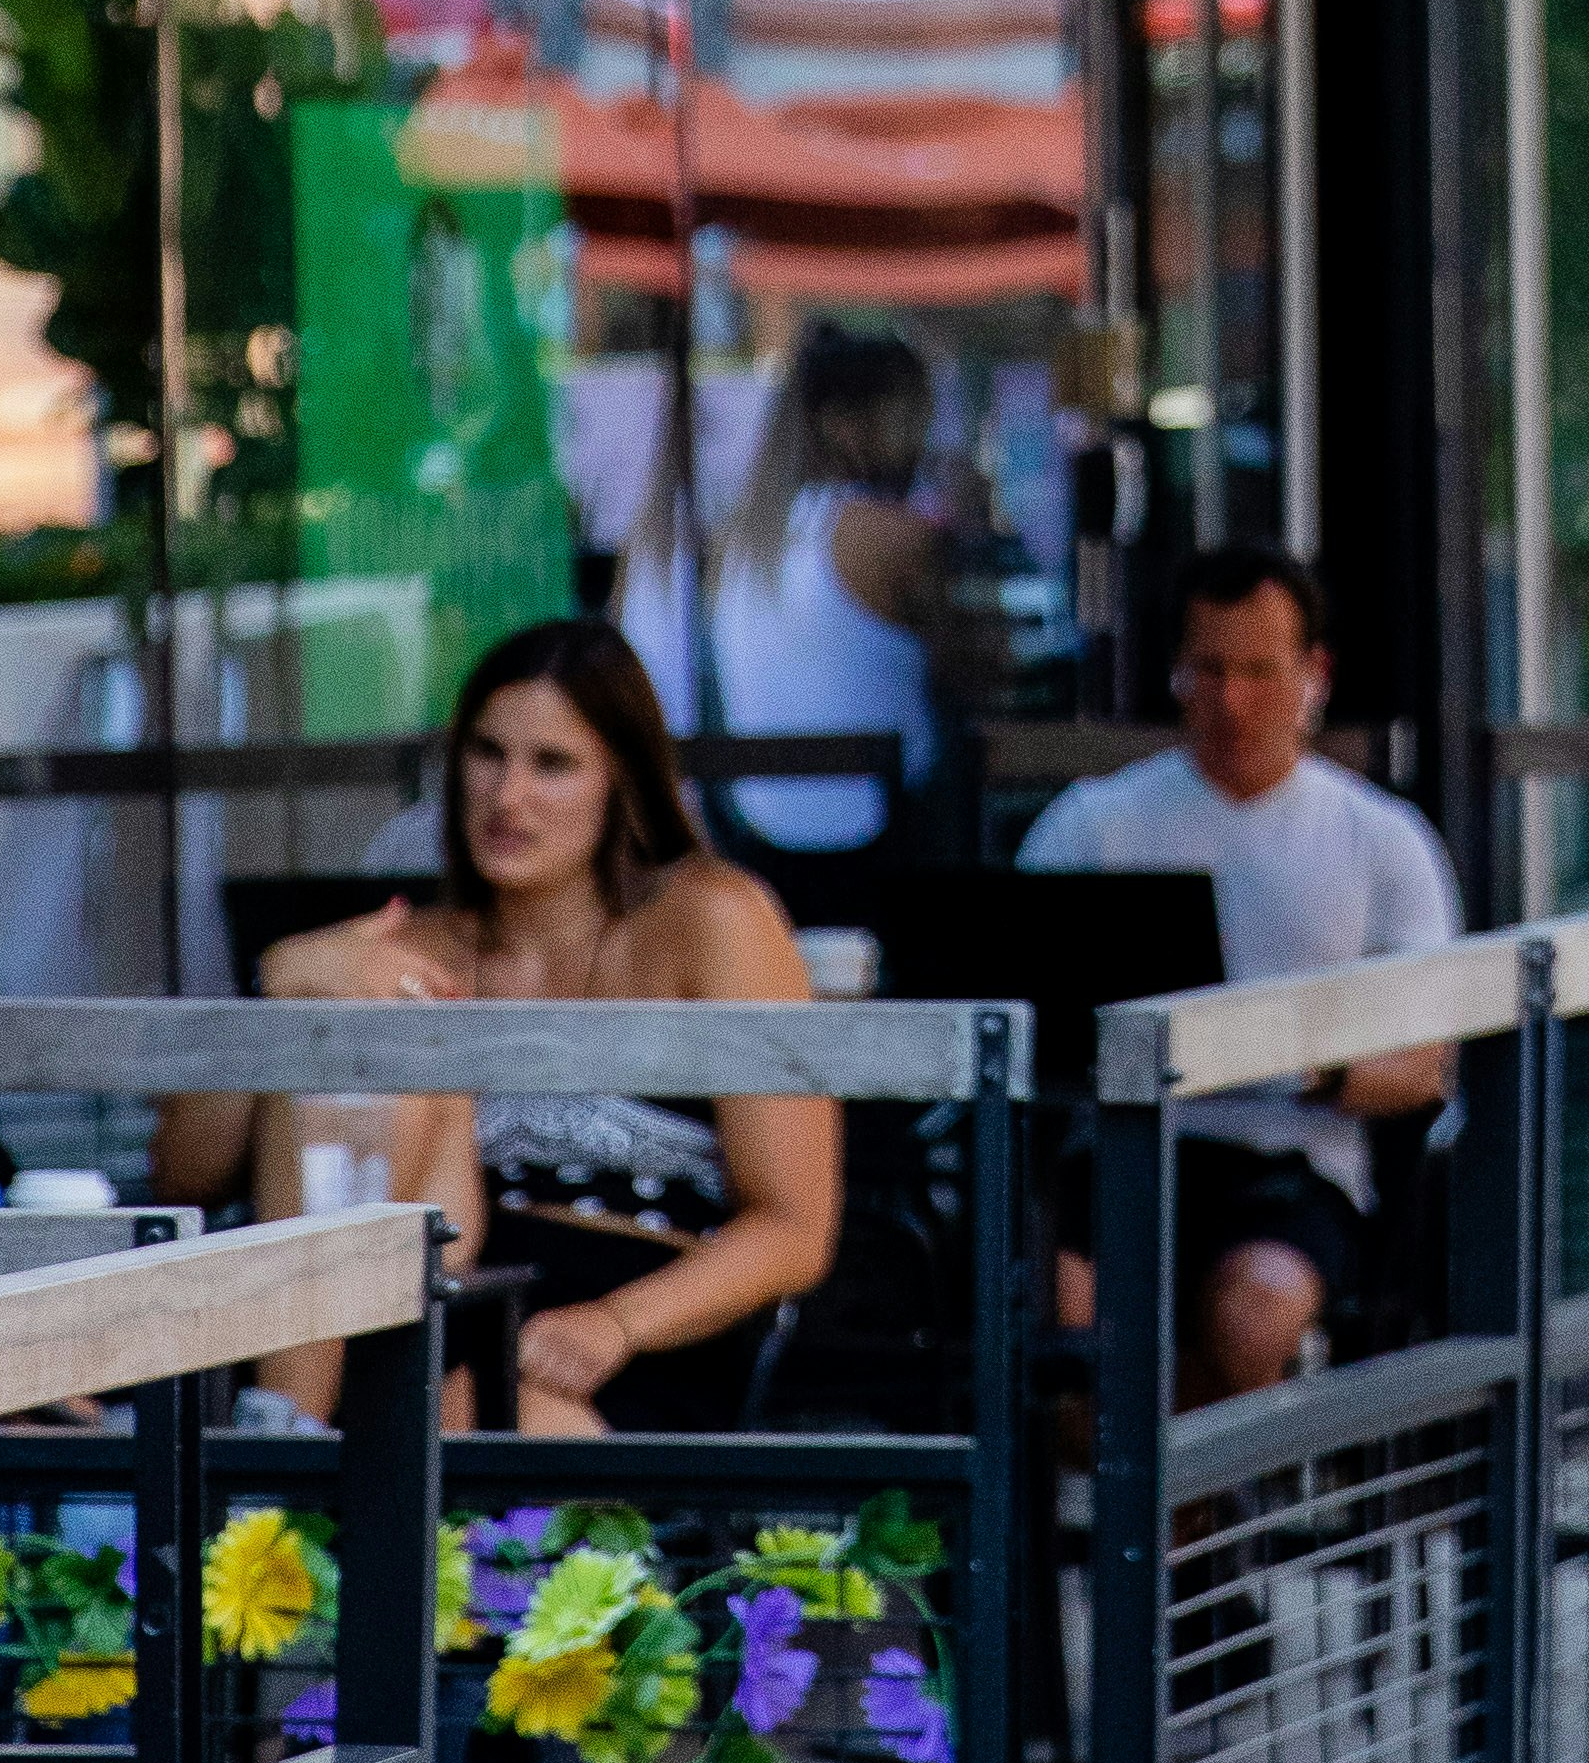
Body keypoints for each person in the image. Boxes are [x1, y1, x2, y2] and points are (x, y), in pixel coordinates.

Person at [169, 622, 837, 1434]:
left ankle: (296, 1479)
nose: (506, 795)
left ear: (620, 778)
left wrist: (617, 1322)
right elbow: (184, 1173)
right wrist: (279, 989)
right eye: (487, 754)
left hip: (636, 1328)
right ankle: (282, 1445)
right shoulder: (401, 949)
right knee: (362, 1044)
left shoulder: (711, 918)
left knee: (447, 1435)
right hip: (425, 1307)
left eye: (551, 763)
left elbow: (795, 1228)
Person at [1022, 545, 1459, 1391]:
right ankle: (1179, 1511)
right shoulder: (1091, 823)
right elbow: (1018, 998)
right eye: (1209, 669)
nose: (1232, 700)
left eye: (1259, 670)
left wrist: (1306, 1071)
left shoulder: (1382, 839)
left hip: (1287, 1169)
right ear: (1176, 672)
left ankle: (1182, 1514)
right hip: (1118, 1158)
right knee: (1065, 1333)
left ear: (1313, 673)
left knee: (1249, 1315)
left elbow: (1423, 1067)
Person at [656, 324, 959, 861]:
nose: (922, 440)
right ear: (843, 425)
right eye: (910, 418)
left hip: (757, 835)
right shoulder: (889, 533)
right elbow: (964, 676)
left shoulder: (736, 538)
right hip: (888, 844)